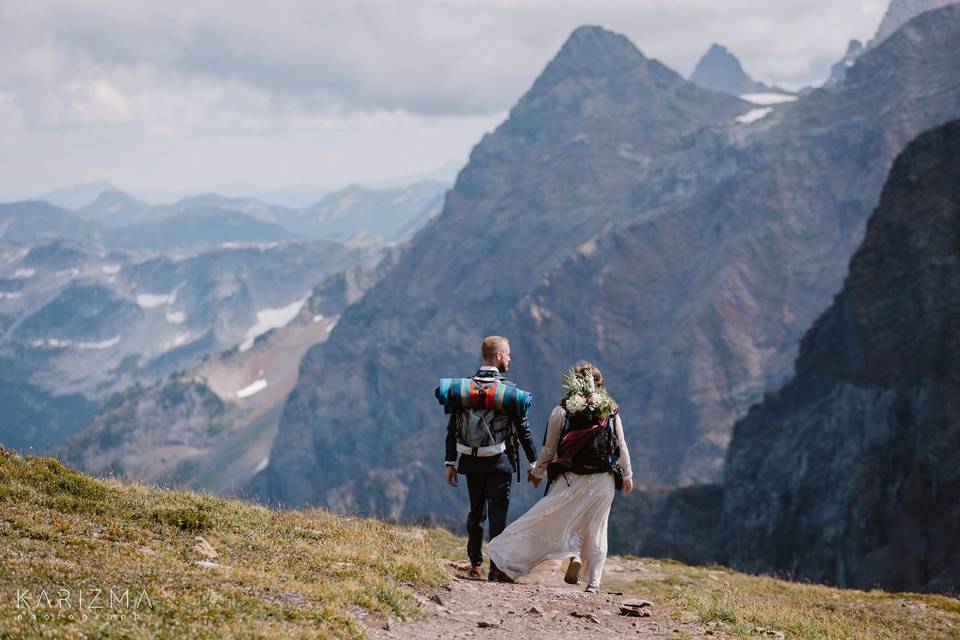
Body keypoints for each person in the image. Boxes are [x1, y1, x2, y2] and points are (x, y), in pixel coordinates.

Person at [487, 361, 633, 593]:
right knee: (597, 527)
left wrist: (537, 473)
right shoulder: (611, 412)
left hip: (570, 477)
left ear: (572, 384)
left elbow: (549, 449)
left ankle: (565, 554)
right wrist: (627, 474)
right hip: (603, 480)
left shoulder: (562, 411)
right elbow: (621, 445)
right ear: (600, 385)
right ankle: (593, 583)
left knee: (553, 519)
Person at [445, 335, 539, 582]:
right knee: (498, 515)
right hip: (499, 462)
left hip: (469, 461)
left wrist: (449, 463)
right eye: (507, 354)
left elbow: (452, 428)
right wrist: (534, 463)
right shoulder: (507, 393)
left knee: (476, 513)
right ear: (497, 356)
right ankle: (496, 568)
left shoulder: (465, 390)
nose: (509, 358)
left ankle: (475, 564)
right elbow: (523, 430)